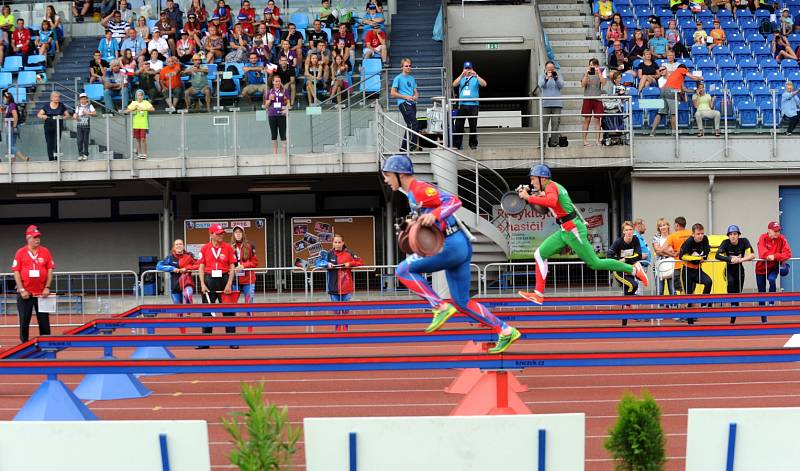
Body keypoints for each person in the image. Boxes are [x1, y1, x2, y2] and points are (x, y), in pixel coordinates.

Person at [382, 154, 521, 354]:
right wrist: (416, 222)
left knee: (403, 270)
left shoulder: (419, 189)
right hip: (457, 246)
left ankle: (439, 307)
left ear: (400, 174)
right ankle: (506, 330)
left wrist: (435, 215)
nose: (386, 180)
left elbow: (454, 202)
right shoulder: (412, 194)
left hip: (450, 245)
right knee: (462, 302)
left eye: (387, 175)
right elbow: (431, 215)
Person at [517, 164, 648, 305]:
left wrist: (528, 197)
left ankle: (633, 269)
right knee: (539, 254)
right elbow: (552, 205)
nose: (531, 183)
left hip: (573, 230)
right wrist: (529, 195)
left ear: (542, 178)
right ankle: (538, 294)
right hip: (565, 230)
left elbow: (551, 201)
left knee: (595, 263)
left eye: (533, 179)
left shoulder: (551, 187)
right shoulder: (552, 187)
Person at [12, 225, 55, 343]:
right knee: (24, 321)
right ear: (28, 238)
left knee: (44, 322)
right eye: (35, 237)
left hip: (42, 294)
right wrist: (21, 290)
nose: (38, 239)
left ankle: (47, 345)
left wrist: (47, 287)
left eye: (38, 237)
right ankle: (23, 345)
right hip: (25, 293)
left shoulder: (45, 251)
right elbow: (16, 272)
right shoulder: (20, 252)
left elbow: (50, 270)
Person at [197, 223, 237, 345]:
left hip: (224, 280)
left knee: (228, 312)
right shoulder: (204, 248)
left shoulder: (228, 248)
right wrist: (202, 284)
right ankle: (205, 341)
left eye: (222, 233)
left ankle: (232, 341)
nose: (221, 236)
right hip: (209, 280)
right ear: (211, 234)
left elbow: (232, 266)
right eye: (218, 234)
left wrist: (229, 284)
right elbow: (201, 267)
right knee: (207, 312)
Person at [315, 234, 363, 332]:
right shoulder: (328, 254)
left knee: (345, 310)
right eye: (335, 242)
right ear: (333, 243)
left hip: (347, 287)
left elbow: (360, 262)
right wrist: (326, 264)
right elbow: (317, 262)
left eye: (339, 242)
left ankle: (345, 329)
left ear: (343, 243)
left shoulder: (349, 253)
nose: (337, 244)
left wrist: (350, 264)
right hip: (333, 287)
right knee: (336, 311)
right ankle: (337, 329)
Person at [607, 221, 644, 326]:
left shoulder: (635, 240)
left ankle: (624, 320)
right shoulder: (618, 242)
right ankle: (627, 306)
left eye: (630, 230)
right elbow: (609, 255)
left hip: (630, 270)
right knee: (633, 285)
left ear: (633, 230)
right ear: (623, 231)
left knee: (628, 292)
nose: (629, 232)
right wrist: (619, 260)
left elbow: (639, 256)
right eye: (626, 230)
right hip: (619, 271)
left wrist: (625, 259)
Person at [715, 225, 755, 321]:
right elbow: (717, 255)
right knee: (731, 284)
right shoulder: (725, 243)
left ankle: (734, 314)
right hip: (729, 270)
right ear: (728, 236)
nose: (732, 236)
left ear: (738, 235)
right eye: (730, 234)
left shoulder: (744, 241)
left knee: (738, 293)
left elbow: (752, 255)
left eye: (735, 234)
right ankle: (732, 308)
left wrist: (740, 260)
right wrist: (730, 259)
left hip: (740, 271)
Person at [650, 64, 703, 136]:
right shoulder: (681, 69)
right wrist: (700, 78)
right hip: (671, 91)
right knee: (673, 114)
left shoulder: (676, 75)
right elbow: (693, 77)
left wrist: (694, 91)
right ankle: (674, 132)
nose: (687, 71)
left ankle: (652, 132)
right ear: (685, 68)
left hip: (663, 91)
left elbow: (684, 89)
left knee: (660, 113)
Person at [156, 239, 199, 325]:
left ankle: (188, 312)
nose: (179, 246)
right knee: (179, 312)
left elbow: (198, 265)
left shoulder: (189, 256)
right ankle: (182, 330)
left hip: (187, 282)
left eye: (180, 244)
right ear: (174, 247)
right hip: (175, 286)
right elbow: (158, 266)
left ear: (183, 246)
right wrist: (172, 268)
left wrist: (187, 268)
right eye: (177, 244)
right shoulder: (170, 257)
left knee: (187, 294)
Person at [756, 221, 792, 316]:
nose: (777, 233)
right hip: (761, 268)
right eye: (775, 231)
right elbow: (762, 253)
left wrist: (775, 256)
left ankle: (771, 302)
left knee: (773, 278)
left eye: (779, 231)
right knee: (761, 293)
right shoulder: (763, 237)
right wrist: (768, 256)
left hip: (774, 267)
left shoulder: (782, 238)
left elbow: (788, 253)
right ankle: (763, 319)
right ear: (769, 231)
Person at [678, 223, 713, 321]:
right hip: (686, 271)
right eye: (698, 234)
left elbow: (706, 253)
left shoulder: (705, 239)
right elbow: (682, 256)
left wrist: (701, 258)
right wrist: (696, 258)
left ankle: (703, 303)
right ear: (693, 234)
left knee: (708, 281)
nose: (700, 236)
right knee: (688, 296)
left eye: (702, 233)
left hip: (697, 270)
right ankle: (688, 318)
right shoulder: (689, 241)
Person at [452, 61, 486, 150]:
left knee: (473, 126)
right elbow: (454, 84)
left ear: (472, 69)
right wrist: (461, 75)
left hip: (473, 105)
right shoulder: (462, 78)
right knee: (459, 126)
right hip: (462, 105)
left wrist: (476, 75)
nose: (468, 70)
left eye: (469, 68)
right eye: (466, 68)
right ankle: (456, 144)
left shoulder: (475, 78)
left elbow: (484, 84)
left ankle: (473, 144)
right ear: (463, 69)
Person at [230, 225, 259, 319]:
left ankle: (250, 325)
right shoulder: (229, 247)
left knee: (249, 303)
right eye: (236, 232)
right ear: (233, 234)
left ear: (243, 233)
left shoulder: (250, 245)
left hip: (248, 280)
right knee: (232, 304)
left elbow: (255, 262)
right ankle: (231, 327)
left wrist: (243, 265)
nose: (238, 234)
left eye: (240, 232)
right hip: (235, 280)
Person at [391, 58, 419, 152]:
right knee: (413, 123)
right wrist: (405, 97)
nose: (408, 67)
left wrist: (415, 96)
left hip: (412, 104)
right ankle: (411, 145)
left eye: (409, 66)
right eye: (406, 66)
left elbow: (416, 92)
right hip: (403, 103)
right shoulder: (398, 78)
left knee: (410, 125)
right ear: (402, 67)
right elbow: (393, 93)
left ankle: (403, 148)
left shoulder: (412, 78)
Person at [37, 91, 70, 161]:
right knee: (49, 143)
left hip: (58, 126)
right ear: (51, 98)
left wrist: (62, 117)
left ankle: (57, 158)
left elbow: (67, 115)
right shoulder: (46, 105)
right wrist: (43, 116)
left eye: (58, 97)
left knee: (57, 142)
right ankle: (51, 158)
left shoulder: (61, 105)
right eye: (55, 97)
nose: (57, 98)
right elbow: (39, 114)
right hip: (48, 126)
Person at [539, 61, 565, 147]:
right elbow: (540, 85)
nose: (550, 71)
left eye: (552, 69)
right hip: (545, 104)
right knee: (544, 125)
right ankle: (542, 144)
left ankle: (554, 143)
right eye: (549, 69)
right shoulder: (542, 76)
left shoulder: (558, 75)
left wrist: (556, 78)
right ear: (545, 69)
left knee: (555, 125)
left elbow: (561, 85)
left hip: (557, 104)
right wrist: (546, 78)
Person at [580, 58, 605, 147]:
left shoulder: (601, 72)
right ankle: (584, 140)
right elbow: (583, 85)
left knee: (598, 120)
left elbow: (604, 83)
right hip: (587, 98)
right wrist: (586, 74)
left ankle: (597, 140)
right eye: (590, 65)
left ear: (597, 66)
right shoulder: (585, 73)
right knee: (587, 119)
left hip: (597, 99)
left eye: (594, 65)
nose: (592, 67)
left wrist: (599, 73)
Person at [125, 89, 154, 159]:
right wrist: (134, 109)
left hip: (143, 124)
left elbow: (152, 109)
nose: (140, 97)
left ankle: (145, 153)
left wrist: (144, 109)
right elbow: (126, 111)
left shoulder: (146, 102)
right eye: (138, 95)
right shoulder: (134, 103)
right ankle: (140, 153)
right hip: (136, 124)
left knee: (143, 139)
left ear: (143, 96)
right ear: (136, 96)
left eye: (141, 95)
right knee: (138, 140)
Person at [652, 217, 676, 298]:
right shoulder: (656, 237)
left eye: (664, 225)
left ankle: (674, 307)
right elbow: (657, 251)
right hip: (659, 265)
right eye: (660, 226)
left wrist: (662, 250)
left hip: (672, 265)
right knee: (660, 290)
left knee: (672, 289)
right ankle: (660, 308)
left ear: (668, 226)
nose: (663, 227)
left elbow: (675, 251)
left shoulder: (673, 236)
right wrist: (670, 252)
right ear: (658, 228)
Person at [265, 75, 289, 155]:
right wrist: (270, 99)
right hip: (272, 114)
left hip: (281, 114)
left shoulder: (285, 91)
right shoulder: (269, 91)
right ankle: (274, 154)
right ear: (273, 82)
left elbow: (288, 102)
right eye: (276, 81)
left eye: (279, 81)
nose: (277, 83)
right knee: (273, 134)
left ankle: (283, 154)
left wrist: (286, 109)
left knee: (283, 134)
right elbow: (266, 105)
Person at [2, 90, 25, 162]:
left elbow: (15, 116)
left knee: (10, 145)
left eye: (4, 98)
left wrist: (14, 126)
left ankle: (23, 158)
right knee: (12, 144)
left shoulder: (11, 105)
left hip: (12, 127)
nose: (3, 99)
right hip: (11, 126)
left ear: (8, 98)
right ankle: (13, 160)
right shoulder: (9, 106)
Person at [73, 92, 96, 161]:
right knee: (79, 140)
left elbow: (94, 113)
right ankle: (80, 154)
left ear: (87, 99)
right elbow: (75, 114)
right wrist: (75, 116)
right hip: (79, 125)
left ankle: (85, 154)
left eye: (84, 99)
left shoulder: (90, 106)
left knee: (85, 140)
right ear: (79, 100)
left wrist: (87, 113)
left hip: (86, 126)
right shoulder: (78, 106)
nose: (83, 100)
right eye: (81, 99)